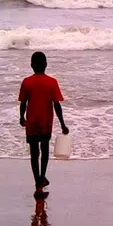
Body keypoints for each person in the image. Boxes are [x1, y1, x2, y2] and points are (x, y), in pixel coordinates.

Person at [18, 52, 69, 190]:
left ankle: (37, 182)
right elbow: (57, 105)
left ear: (31, 65)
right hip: (46, 122)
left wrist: (21, 117)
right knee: (44, 150)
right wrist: (63, 124)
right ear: (46, 65)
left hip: (32, 123)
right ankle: (42, 176)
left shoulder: (27, 82)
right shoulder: (52, 82)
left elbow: (23, 103)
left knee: (34, 154)